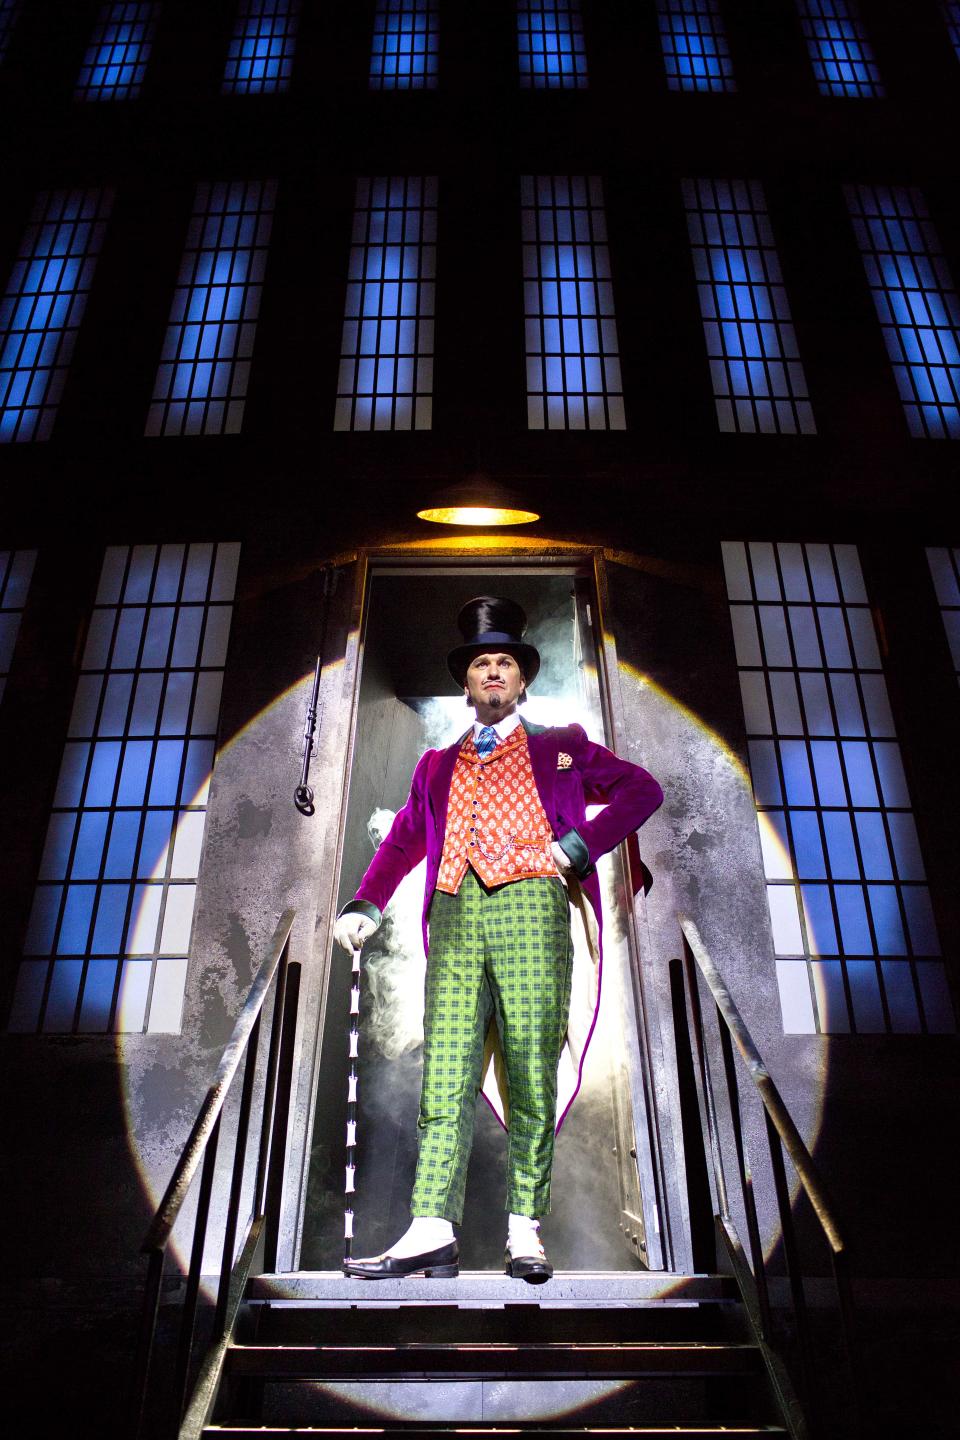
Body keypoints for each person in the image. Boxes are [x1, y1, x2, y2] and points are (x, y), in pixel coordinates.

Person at [333, 596, 663, 1283]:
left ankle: (524, 1230)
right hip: (455, 915)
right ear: (467, 681)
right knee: (445, 1073)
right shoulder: (435, 766)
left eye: (504, 664)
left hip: (534, 908)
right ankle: (430, 1229)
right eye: (482, 663)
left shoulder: (560, 745)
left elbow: (641, 790)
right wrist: (368, 899)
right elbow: (402, 841)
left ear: (521, 681)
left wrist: (578, 845)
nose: (492, 673)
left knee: (529, 1069)